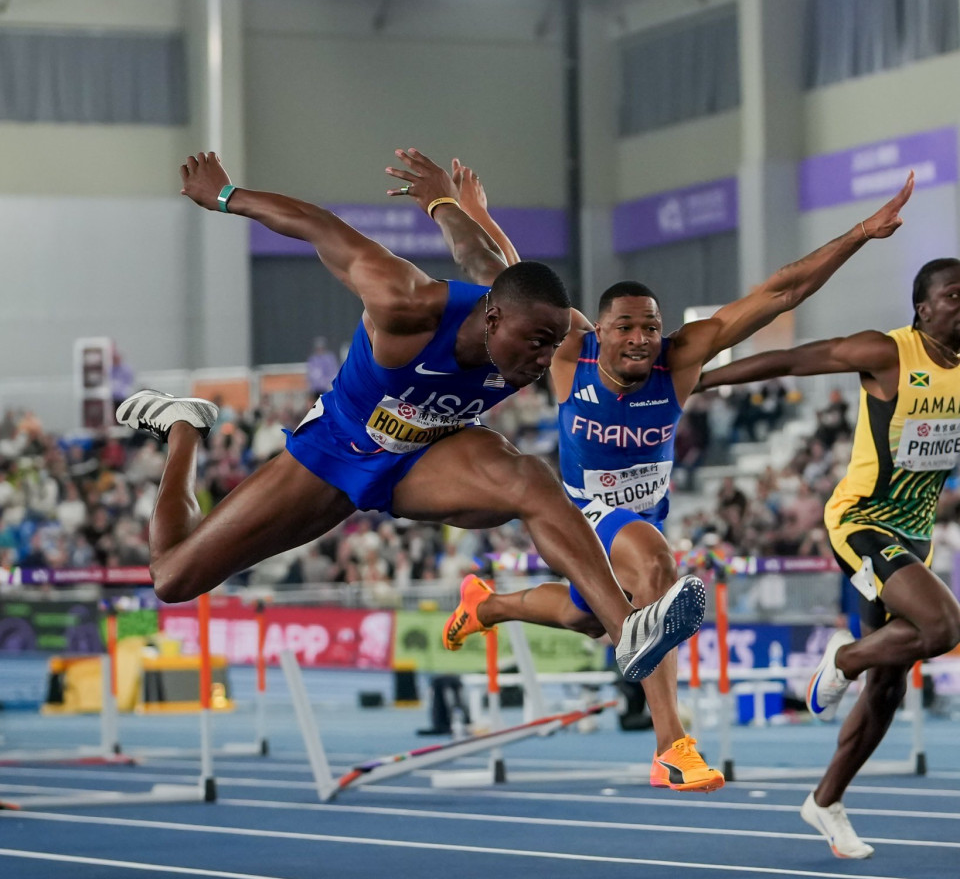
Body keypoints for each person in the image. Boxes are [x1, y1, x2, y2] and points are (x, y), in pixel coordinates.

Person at [394, 154, 914, 793]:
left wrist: (859, 234)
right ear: (600, 331)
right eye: (625, 328)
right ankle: (673, 743)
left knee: (593, 619)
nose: (640, 339)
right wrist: (466, 211)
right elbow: (509, 279)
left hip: (646, 511)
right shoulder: (568, 351)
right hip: (582, 514)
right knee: (659, 574)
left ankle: (490, 603)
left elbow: (781, 291)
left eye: (651, 327)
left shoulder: (682, 360)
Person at [116, 148, 707, 686]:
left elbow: (483, 253)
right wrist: (226, 196)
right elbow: (322, 228)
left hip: (426, 455)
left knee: (531, 479)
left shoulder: (536, 324)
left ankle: (628, 629)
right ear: (494, 319)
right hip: (335, 450)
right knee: (173, 578)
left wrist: (444, 202)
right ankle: (184, 427)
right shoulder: (406, 306)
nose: (537, 363)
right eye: (531, 344)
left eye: (551, 346)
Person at [699, 256, 960, 857]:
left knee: (890, 686)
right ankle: (842, 660)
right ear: (924, 308)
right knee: (943, 626)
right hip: (860, 522)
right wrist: (705, 380)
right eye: (954, 295)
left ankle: (825, 802)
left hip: (913, 532)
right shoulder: (889, 353)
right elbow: (794, 360)